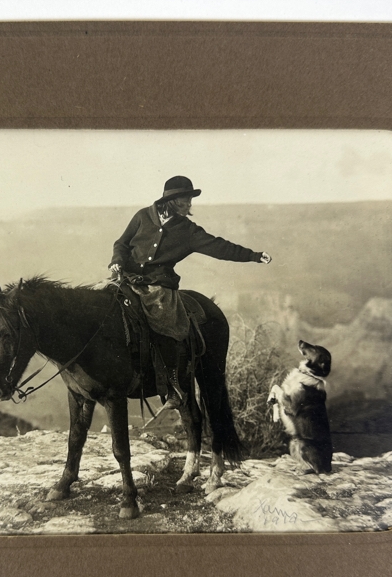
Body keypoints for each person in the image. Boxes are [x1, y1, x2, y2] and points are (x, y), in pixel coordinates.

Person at [108, 175, 272, 409]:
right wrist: (117, 261)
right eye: (185, 201)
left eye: (189, 201)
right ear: (172, 201)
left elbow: (219, 246)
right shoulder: (143, 216)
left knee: (166, 321)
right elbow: (121, 244)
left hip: (159, 286)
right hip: (126, 278)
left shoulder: (187, 230)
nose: (189, 206)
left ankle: (173, 384)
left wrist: (253, 256)